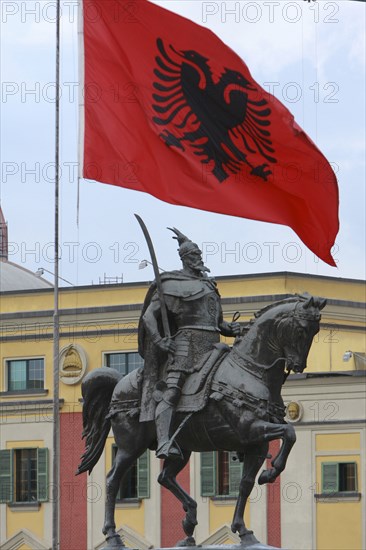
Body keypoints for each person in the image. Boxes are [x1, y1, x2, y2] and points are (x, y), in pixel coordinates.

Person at [140, 227, 241, 459]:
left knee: (231, 386)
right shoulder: (172, 285)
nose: (200, 259)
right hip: (186, 346)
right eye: (194, 256)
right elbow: (148, 317)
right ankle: (164, 440)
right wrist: (159, 340)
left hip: (214, 344)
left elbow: (217, 322)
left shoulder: (209, 285)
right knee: (173, 390)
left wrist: (231, 329)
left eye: (200, 254)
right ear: (185, 259)